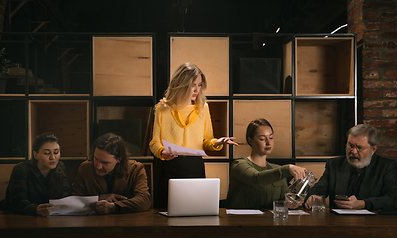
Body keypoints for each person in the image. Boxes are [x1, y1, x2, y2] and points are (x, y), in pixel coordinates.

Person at [149, 62, 237, 207]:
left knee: (196, 211)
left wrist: (217, 142)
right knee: (169, 214)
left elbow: (206, 140)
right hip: (170, 167)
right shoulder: (162, 109)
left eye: (199, 85)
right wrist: (162, 151)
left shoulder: (203, 108)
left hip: (195, 167)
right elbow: (154, 143)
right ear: (181, 85)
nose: (197, 90)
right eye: (192, 85)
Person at [304, 124, 397, 210]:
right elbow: (318, 189)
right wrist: (313, 197)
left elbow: (395, 199)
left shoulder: (386, 166)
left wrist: (361, 204)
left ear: (373, 149)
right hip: (337, 224)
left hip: (372, 224)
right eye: (350, 145)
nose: (353, 151)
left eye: (359, 147)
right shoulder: (334, 164)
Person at [225, 118, 307, 209]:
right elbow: (256, 178)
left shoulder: (277, 170)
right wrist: (287, 168)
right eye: (262, 139)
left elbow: (282, 201)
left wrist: (290, 203)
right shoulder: (239, 164)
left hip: (270, 221)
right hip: (241, 221)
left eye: (271, 138)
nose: (268, 143)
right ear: (250, 141)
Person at [73, 133, 151, 214]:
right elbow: (74, 200)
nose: (98, 167)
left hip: (126, 222)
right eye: (96, 159)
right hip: (92, 222)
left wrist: (114, 207)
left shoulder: (135, 169)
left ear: (119, 159)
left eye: (105, 163)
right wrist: (99, 198)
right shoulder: (85, 168)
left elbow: (144, 200)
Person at [2, 132, 70, 216]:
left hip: (50, 218)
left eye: (56, 152)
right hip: (19, 218)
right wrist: (35, 209)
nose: (53, 157)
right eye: (47, 153)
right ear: (35, 155)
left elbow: (65, 197)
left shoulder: (60, 167)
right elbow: (18, 201)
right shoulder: (22, 169)